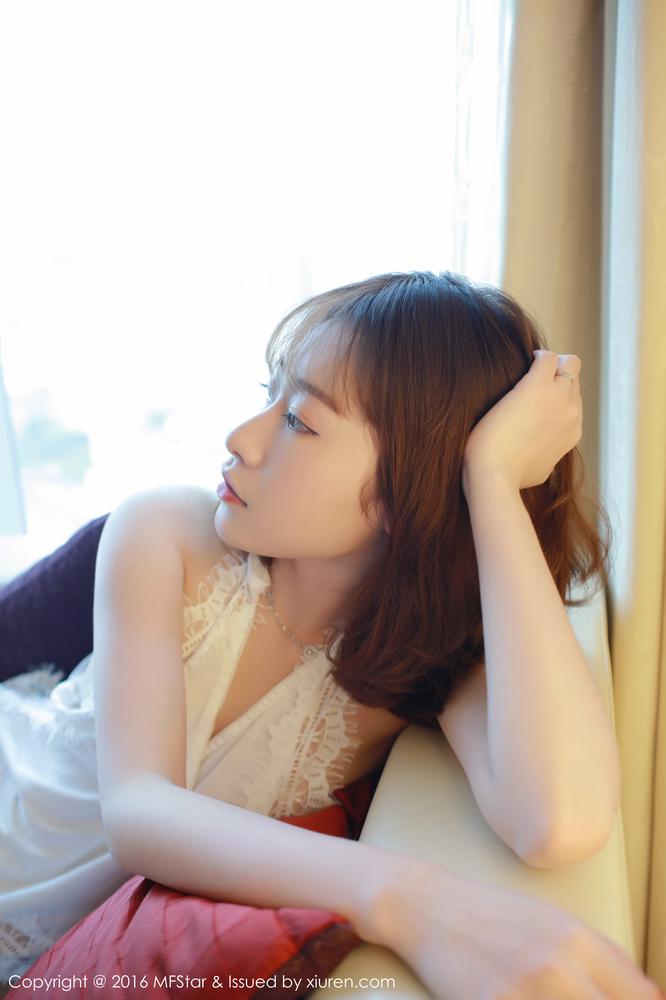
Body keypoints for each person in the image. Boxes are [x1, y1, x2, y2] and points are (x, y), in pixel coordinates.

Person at [0, 270, 661, 1000]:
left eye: (298, 422)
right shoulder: (168, 534)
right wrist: (415, 900)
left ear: (408, 494)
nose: (241, 438)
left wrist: (491, 479)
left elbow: (560, 821)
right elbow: (138, 810)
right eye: (269, 395)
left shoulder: (423, 670)